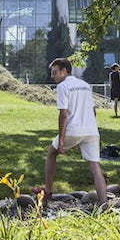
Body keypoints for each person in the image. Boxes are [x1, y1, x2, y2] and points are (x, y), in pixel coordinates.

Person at [44, 58, 108, 205]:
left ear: (64, 71)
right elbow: (93, 111)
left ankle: (47, 191)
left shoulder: (62, 87)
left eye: (55, 73)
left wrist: (61, 139)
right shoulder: (85, 85)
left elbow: (63, 114)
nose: (53, 76)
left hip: (73, 130)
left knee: (51, 153)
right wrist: (84, 137)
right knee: (95, 167)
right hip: (91, 130)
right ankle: (104, 203)